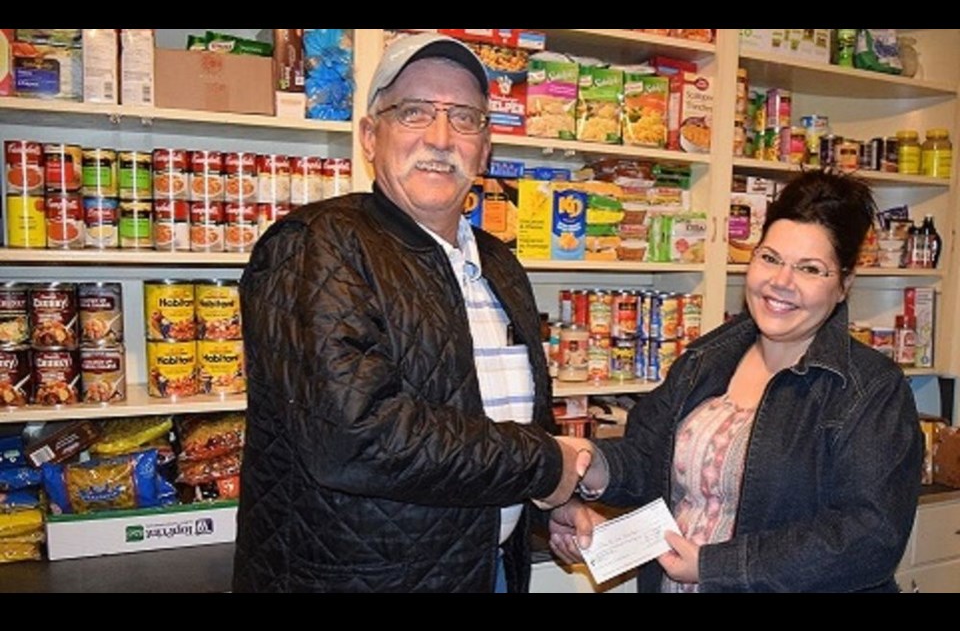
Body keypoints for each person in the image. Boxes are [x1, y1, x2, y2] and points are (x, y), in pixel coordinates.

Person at [232, 32, 586, 593]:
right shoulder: (317, 243)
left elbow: (502, 421)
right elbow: (355, 438)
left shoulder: (498, 264)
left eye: (465, 118)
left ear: (485, 147)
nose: (440, 138)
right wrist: (545, 464)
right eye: (414, 112)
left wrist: (546, 505)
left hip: (483, 572)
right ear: (371, 136)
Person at [549, 169, 924, 593]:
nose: (781, 282)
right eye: (769, 258)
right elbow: (652, 456)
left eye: (810, 269)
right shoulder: (708, 357)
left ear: (844, 284)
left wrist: (716, 565)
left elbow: (868, 538)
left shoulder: (870, 389)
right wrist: (591, 464)